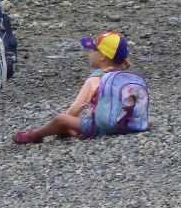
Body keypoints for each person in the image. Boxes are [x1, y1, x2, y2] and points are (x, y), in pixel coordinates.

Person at [13, 32, 147, 144]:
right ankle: (70, 131)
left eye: (93, 50)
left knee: (60, 119)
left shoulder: (96, 79)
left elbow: (76, 109)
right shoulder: (126, 76)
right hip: (130, 125)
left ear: (102, 56)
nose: (89, 53)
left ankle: (34, 135)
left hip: (101, 127)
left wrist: (67, 120)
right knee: (70, 125)